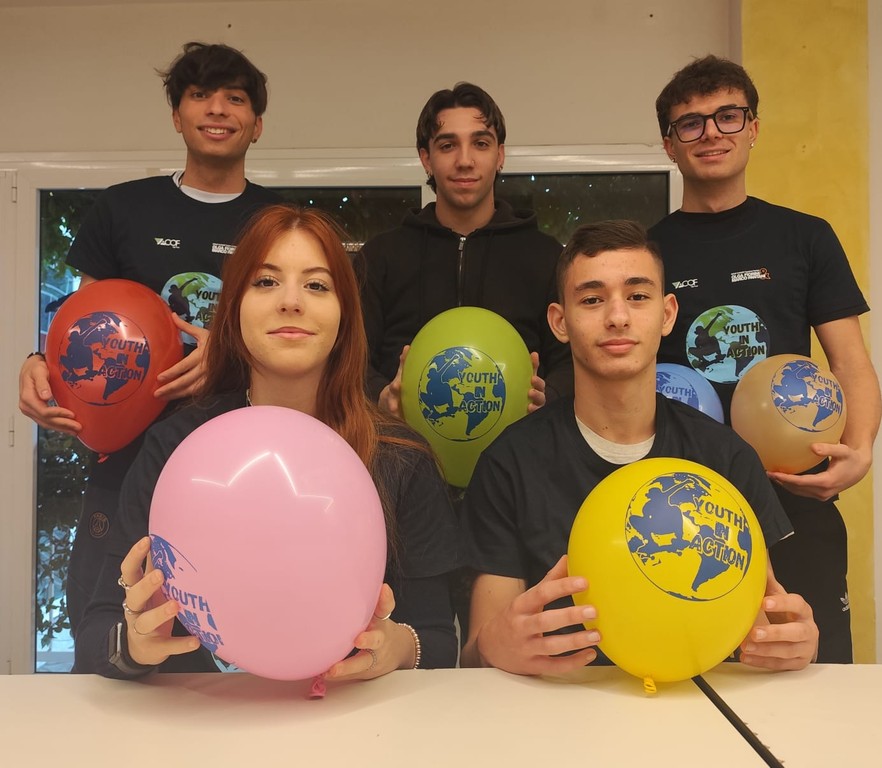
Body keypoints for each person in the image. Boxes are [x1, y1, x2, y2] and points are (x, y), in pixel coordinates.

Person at [74, 205, 460, 678]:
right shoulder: (174, 447)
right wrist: (134, 645)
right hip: (201, 719)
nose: (291, 301)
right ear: (234, 309)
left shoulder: (401, 456)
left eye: (317, 285)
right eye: (266, 281)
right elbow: (96, 636)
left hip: (347, 720)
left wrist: (398, 646)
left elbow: (437, 641)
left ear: (345, 315)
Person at [461, 220, 818, 675]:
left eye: (637, 296)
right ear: (559, 322)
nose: (617, 317)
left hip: (696, 700)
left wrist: (797, 645)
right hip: (559, 705)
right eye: (592, 299)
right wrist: (491, 648)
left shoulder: (726, 459)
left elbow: (774, 624)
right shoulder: (508, 464)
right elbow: (475, 654)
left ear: (667, 314)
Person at [18, 42, 281, 634]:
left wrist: (228, 354)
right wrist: (40, 362)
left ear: (257, 123)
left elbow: (309, 340)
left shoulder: (279, 221)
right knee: (108, 630)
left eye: (236, 98)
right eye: (200, 95)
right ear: (176, 116)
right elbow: (83, 324)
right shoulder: (122, 209)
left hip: (244, 461)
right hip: (127, 458)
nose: (218, 109)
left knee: (235, 634)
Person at [650, 55, 880, 663]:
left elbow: (850, 362)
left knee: (813, 676)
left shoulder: (806, 237)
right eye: (691, 123)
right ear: (670, 145)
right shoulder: (646, 250)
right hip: (687, 506)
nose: (712, 133)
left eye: (728, 116)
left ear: (753, 127)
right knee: (689, 674)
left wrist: (858, 452)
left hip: (793, 498)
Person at [359, 81, 572, 416]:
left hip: (520, 441)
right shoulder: (380, 257)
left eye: (480, 143)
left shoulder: (547, 256)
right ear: (426, 159)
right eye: (447, 146)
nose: (465, 160)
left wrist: (551, 398)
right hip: (401, 441)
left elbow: (571, 358)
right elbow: (350, 358)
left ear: (500, 155)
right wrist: (378, 397)